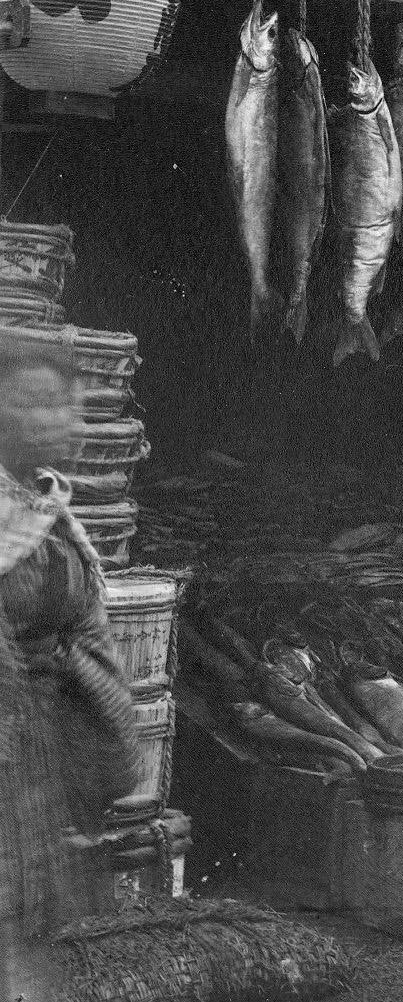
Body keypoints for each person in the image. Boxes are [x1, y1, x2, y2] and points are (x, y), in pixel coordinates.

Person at [1, 335, 143, 1002]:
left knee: (29, 933)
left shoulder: (46, 506)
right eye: (37, 403)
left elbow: (81, 621)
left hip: (32, 764)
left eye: (67, 405)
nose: (62, 421)